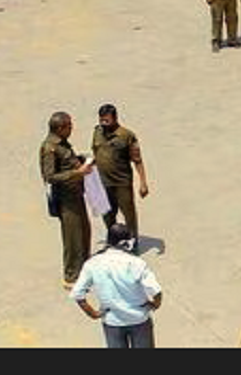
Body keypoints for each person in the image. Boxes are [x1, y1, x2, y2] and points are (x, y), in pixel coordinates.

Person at [70, 223, 162, 348]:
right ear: (125, 243)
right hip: (139, 320)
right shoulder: (137, 263)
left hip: (112, 322)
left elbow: (78, 294)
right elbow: (156, 291)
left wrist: (94, 314)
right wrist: (154, 304)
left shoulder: (92, 264)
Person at [40, 111, 93, 288]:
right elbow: (50, 176)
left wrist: (79, 160)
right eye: (69, 125)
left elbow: (65, 162)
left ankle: (84, 268)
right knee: (72, 238)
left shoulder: (62, 144)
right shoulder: (50, 148)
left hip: (76, 195)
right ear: (60, 128)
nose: (72, 128)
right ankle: (71, 276)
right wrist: (77, 172)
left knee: (84, 232)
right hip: (66, 199)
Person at [91, 104, 148, 251]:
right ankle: (112, 242)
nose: (103, 124)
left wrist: (143, 183)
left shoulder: (126, 136)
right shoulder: (97, 132)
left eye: (107, 121)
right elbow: (96, 152)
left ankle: (133, 243)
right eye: (101, 120)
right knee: (107, 214)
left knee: (128, 214)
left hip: (121, 183)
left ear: (115, 118)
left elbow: (137, 160)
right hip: (103, 182)